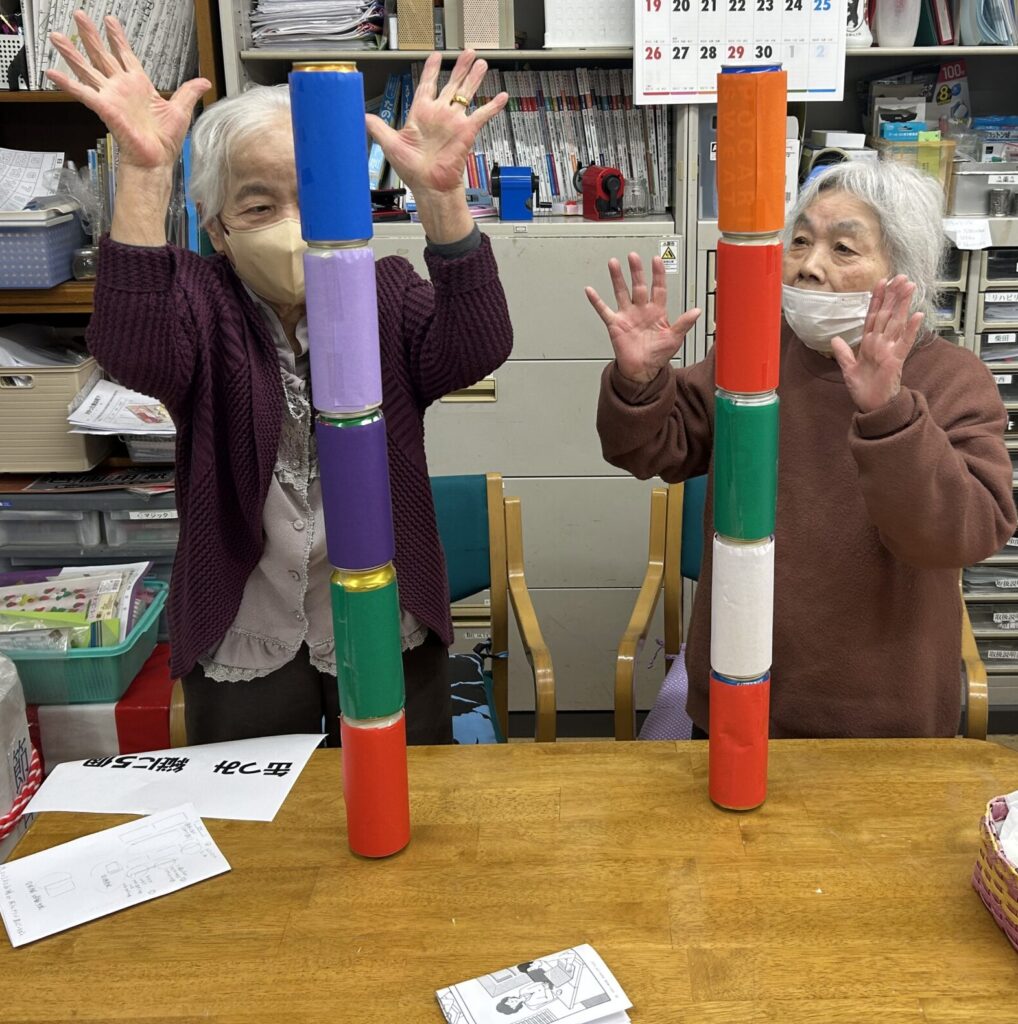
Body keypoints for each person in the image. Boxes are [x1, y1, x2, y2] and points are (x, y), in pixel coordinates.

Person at [48, 13, 513, 746]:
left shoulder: (386, 292)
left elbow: (475, 345)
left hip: (383, 613)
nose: (293, 227)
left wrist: (441, 199)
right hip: (244, 617)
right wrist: (144, 173)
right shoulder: (201, 300)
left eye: (315, 199)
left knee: (408, 787)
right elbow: (133, 349)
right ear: (218, 227)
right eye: (259, 206)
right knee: (260, 803)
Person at [590, 160, 1017, 738]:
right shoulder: (758, 353)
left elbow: (963, 535)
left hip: (881, 722)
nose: (809, 266)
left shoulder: (952, 379)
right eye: (800, 241)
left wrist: (889, 411)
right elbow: (649, 449)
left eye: (843, 248)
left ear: (904, 272)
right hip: (736, 698)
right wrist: (639, 380)